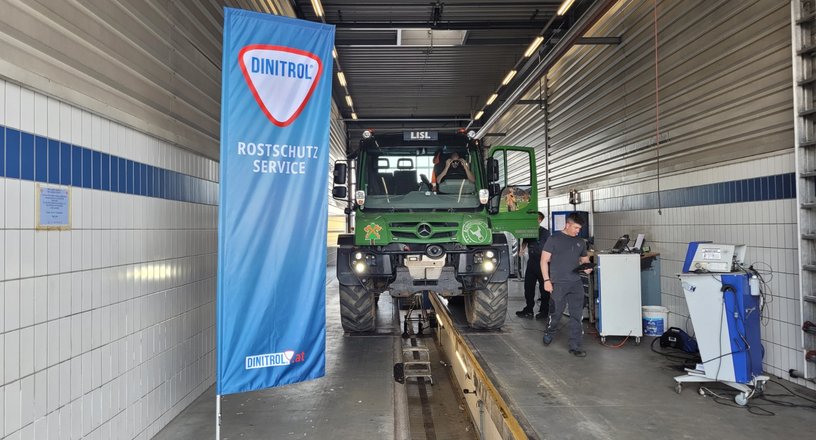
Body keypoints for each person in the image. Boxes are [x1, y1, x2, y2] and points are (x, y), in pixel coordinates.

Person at [541, 213, 592, 357]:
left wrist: (587, 267)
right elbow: (544, 260)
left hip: (576, 283)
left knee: (577, 316)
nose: (578, 231)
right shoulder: (554, 239)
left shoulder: (580, 242)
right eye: (576, 228)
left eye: (579, 228)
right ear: (567, 225)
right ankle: (550, 331)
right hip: (558, 283)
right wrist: (546, 281)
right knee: (556, 313)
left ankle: (575, 345)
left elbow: (584, 259)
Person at [516, 212, 550, 320]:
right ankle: (529, 309)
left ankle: (544, 311)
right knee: (528, 286)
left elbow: (548, 247)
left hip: (542, 262)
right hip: (532, 261)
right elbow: (525, 241)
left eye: (536, 219)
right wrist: (521, 250)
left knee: (544, 288)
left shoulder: (545, 232)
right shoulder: (529, 231)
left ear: (540, 220)